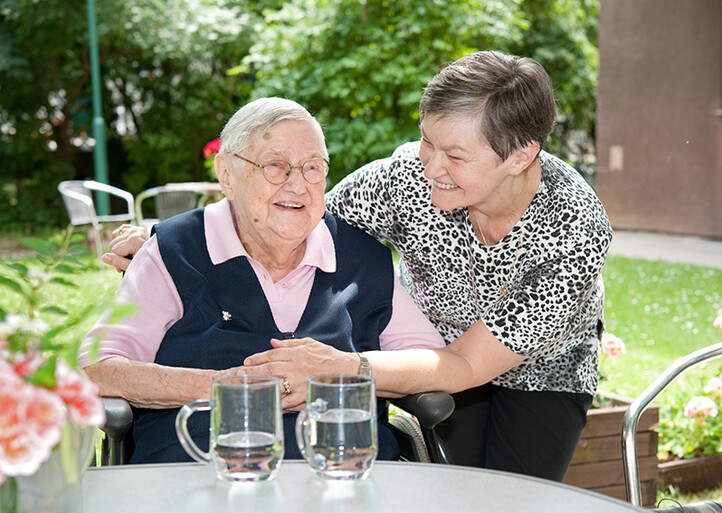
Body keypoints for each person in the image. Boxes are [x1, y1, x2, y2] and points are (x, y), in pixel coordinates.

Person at [106, 51, 612, 482]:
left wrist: (338, 368)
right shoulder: (407, 179)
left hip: (535, 370)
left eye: (454, 155)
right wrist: (167, 240)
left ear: (521, 155)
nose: (430, 165)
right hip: (427, 354)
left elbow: (466, 365)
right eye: (427, 141)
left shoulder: (574, 232)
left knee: (509, 504)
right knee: (448, 497)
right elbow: (296, 208)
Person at [80, 97, 445, 464]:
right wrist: (227, 387)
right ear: (226, 174)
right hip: (198, 476)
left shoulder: (361, 258)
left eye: (313, 168)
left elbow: (432, 362)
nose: (298, 185)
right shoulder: (175, 251)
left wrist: (343, 371)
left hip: (342, 478)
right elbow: (98, 370)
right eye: (276, 166)